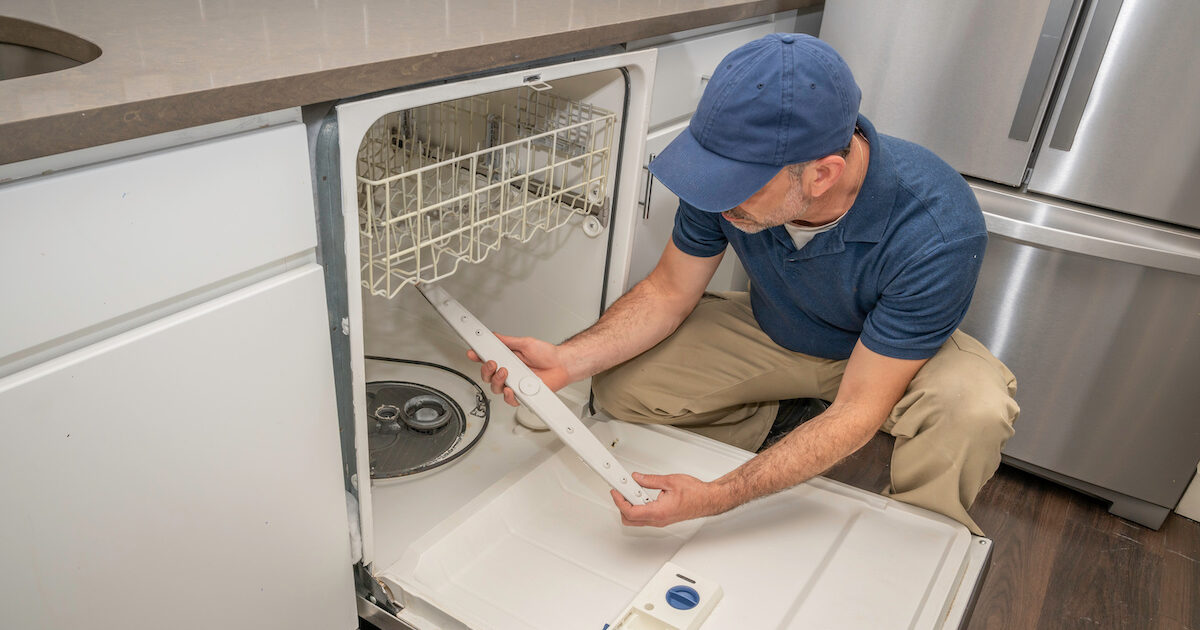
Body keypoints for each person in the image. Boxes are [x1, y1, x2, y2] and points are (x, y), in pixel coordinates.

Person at [470, 33, 1018, 535]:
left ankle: (913, 536)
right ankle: (784, 420)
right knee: (620, 387)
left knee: (972, 408)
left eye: (736, 187)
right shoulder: (728, 182)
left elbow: (858, 407)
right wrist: (566, 361)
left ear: (822, 174)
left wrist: (717, 497)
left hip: (890, 363)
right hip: (778, 328)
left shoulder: (938, 228)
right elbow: (667, 292)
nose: (717, 199)